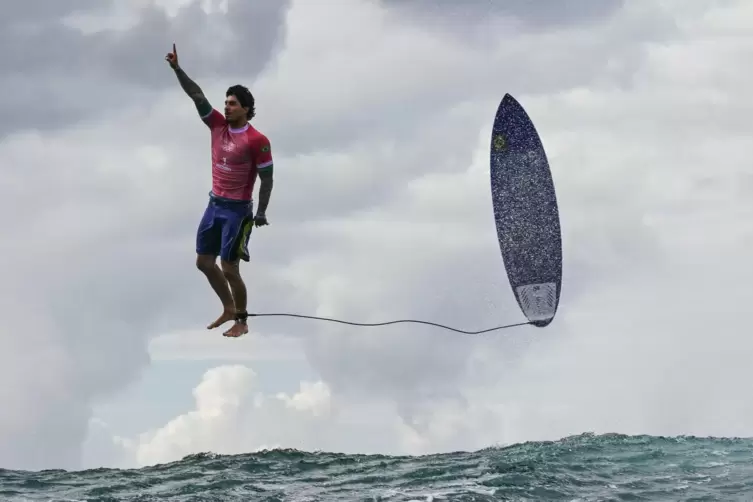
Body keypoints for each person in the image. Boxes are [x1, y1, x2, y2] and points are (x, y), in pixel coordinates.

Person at [165, 43, 274, 338]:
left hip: (238, 211)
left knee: (229, 267)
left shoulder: (257, 140)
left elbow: (267, 178)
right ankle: (228, 307)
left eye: (233, 104)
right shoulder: (216, 125)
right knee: (203, 262)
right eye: (226, 102)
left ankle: (241, 319)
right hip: (214, 204)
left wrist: (261, 212)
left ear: (247, 109)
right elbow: (196, 94)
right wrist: (177, 69)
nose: (227, 107)